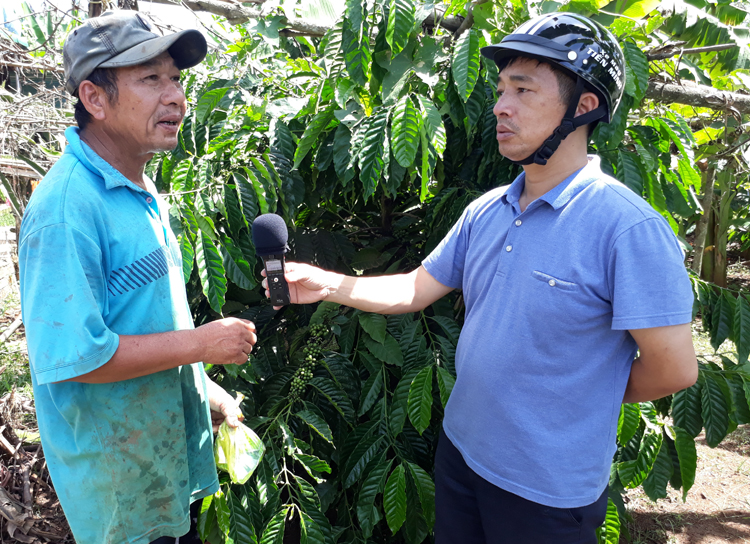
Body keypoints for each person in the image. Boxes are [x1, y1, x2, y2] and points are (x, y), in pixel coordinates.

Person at [262, 13, 698, 544]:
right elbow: (414, 289)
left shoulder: (627, 229)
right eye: (500, 90)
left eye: (522, 89)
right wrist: (327, 282)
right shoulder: (488, 209)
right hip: (462, 455)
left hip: (547, 493)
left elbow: (672, 370)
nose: (499, 106)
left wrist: (584, 395)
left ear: (583, 108)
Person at [19, 11, 257, 544]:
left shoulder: (139, 189)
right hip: (119, 496)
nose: (174, 96)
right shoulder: (66, 210)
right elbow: (81, 357)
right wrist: (200, 344)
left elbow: (140, 319)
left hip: (161, 471)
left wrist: (204, 388)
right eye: (151, 79)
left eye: (176, 78)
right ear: (95, 98)